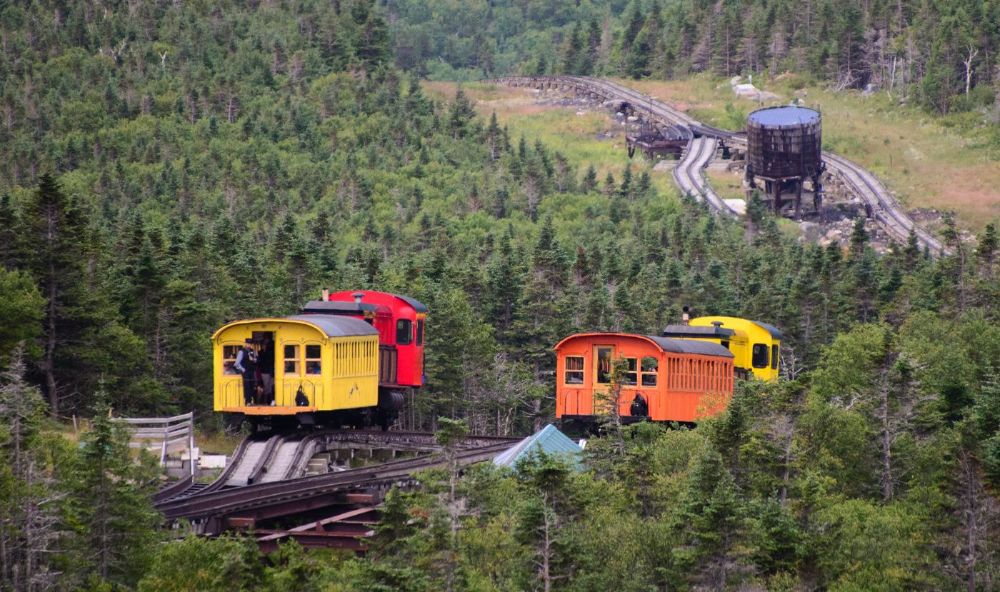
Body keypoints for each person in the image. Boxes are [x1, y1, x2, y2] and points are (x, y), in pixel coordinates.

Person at [233, 338, 258, 406]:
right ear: (245, 344)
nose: (249, 345)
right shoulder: (241, 351)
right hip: (245, 372)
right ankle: (247, 402)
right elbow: (236, 363)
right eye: (247, 343)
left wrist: (253, 359)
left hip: (252, 371)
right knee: (247, 386)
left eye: (250, 344)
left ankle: (251, 401)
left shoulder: (253, 351)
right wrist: (243, 369)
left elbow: (256, 360)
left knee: (252, 386)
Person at [258, 339, 275, 405]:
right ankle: (266, 401)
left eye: (265, 345)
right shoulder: (260, 352)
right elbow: (260, 362)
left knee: (271, 386)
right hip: (265, 371)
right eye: (263, 345)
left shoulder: (271, 352)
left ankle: (270, 401)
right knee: (267, 387)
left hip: (270, 371)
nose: (264, 346)